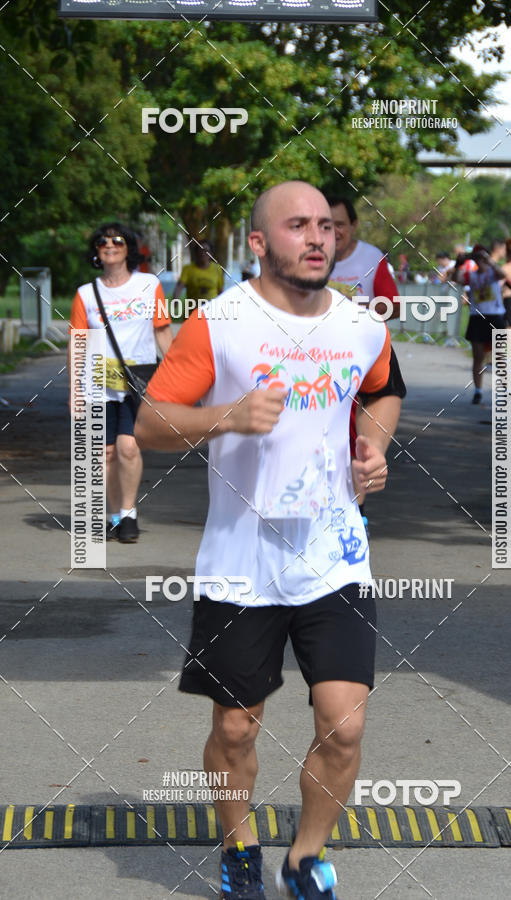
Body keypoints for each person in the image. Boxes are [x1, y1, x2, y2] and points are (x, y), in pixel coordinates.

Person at [135, 181, 403, 900]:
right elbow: (151, 423)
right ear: (259, 243)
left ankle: (305, 857)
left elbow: (383, 388)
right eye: (296, 226)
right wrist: (226, 416)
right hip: (241, 563)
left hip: (335, 558)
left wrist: (372, 450)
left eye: (324, 226)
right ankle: (240, 846)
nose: (317, 238)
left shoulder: (360, 325)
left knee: (343, 728)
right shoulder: (220, 325)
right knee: (235, 729)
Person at [68, 223, 173, 542]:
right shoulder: (86, 294)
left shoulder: (148, 284)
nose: (109, 245)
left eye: (117, 240)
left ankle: (129, 514)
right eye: (102, 241)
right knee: (106, 454)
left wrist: (178, 376)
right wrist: (74, 391)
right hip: (96, 381)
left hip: (137, 381)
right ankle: (113, 516)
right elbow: (78, 343)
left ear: (129, 248)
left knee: (128, 447)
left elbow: (161, 331)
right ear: (96, 251)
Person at [325, 194, 404, 532]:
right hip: (311, 355)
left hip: (360, 355)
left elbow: (393, 306)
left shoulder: (371, 258)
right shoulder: (304, 255)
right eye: (325, 224)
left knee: (354, 433)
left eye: (339, 224)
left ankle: (353, 509)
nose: (333, 232)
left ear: (353, 225)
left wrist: (357, 310)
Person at [461, 246, 506, 404]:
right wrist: (457, 264)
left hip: (495, 316)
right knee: (478, 356)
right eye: (477, 258)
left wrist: (490, 261)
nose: (480, 261)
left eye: (482, 258)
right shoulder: (471, 275)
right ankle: (478, 390)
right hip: (477, 317)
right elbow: (456, 279)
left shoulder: (493, 273)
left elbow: (503, 275)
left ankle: (503, 390)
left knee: (500, 355)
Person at [174, 239, 225, 308]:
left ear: (211, 253)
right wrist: (176, 299)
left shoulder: (217, 269)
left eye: (206, 251)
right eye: (200, 250)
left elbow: (220, 291)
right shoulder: (188, 269)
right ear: (196, 252)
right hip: (193, 312)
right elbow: (179, 287)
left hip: (211, 312)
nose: (203, 253)